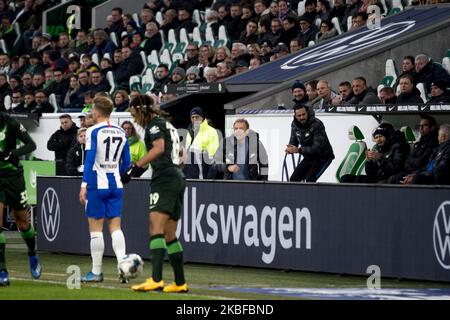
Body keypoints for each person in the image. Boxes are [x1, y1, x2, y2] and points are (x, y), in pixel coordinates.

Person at [121, 94, 188, 293]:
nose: (133, 118)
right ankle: (179, 283)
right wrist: (139, 170)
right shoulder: (168, 126)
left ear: (141, 109)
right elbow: (181, 153)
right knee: (170, 234)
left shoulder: (154, 125)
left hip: (165, 179)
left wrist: (136, 166)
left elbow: (159, 149)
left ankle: (156, 279)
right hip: (177, 176)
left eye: (133, 112)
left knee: (155, 229)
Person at [79, 96, 131, 283]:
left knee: (95, 228)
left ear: (97, 112)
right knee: (115, 227)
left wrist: (84, 185)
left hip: (97, 185)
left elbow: (90, 159)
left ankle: (96, 272)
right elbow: (128, 162)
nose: (91, 113)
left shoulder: (93, 131)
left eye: (92, 110)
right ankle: (123, 268)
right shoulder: (120, 131)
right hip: (116, 184)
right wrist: (117, 172)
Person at [0, 112, 41, 286]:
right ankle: (2, 270)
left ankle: (32, 252)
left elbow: (31, 145)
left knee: (22, 222)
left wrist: (12, 154)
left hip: (13, 177)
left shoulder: (11, 123)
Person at [285, 104, 334, 182]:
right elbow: (293, 141)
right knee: (293, 179)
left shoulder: (317, 124)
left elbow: (317, 148)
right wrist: (290, 148)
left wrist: (298, 150)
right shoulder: (294, 125)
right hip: (308, 157)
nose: (302, 117)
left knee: (310, 179)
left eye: (303, 114)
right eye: (299, 115)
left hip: (323, 157)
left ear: (307, 112)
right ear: (295, 116)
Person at [388, 115, 438, 184]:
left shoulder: (434, 143)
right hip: (410, 172)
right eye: (420, 125)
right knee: (393, 178)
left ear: (432, 128)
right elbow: (407, 162)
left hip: (421, 174)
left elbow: (422, 161)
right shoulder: (418, 143)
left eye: (425, 125)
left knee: (397, 179)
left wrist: (413, 166)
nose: (421, 127)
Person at [183, 107, 220, 179]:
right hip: (189, 172)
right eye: (192, 117)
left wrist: (210, 175)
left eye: (197, 117)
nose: (194, 119)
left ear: (202, 118)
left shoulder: (211, 131)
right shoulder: (189, 131)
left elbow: (212, 156)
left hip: (203, 172)